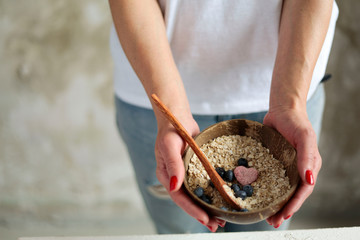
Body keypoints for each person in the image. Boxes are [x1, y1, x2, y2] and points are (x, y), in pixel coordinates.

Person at [108, 0, 338, 234]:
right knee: (179, 231)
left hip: (288, 89)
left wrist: (289, 105)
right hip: (156, 92)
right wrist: (169, 113)